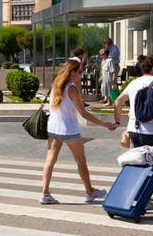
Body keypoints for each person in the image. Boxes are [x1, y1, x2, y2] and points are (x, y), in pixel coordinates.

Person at [40, 57, 117, 205]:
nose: (82, 74)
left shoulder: (56, 84)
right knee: (81, 161)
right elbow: (83, 113)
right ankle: (90, 192)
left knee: (50, 160)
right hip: (69, 130)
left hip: (53, 128)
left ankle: (45, 193)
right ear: (72, 72)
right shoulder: (72, 88)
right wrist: (104, 124)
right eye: (80, 71)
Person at [113, 54, 153, 172]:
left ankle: (140, 186)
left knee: (140, 161)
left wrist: (118, 121)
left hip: (133, 130)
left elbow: (118, 101)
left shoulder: (134, 82)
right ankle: (151, 185)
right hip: (151, 132)